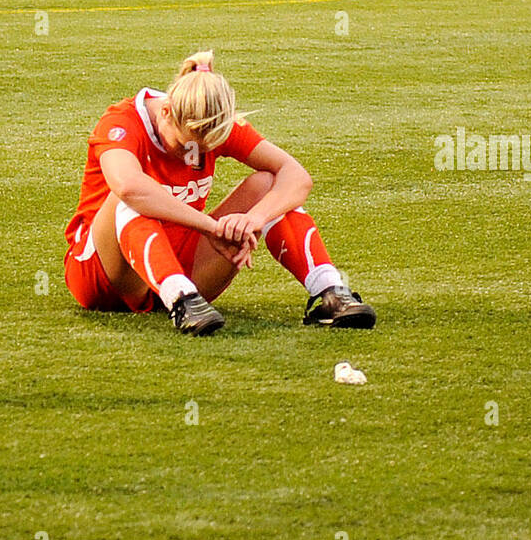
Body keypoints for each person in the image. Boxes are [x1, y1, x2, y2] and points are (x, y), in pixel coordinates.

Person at [63, 50, 376, 335]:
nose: (196, 156)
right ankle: (180, 299)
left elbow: (297, 177)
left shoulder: (212, 123)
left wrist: (253, 219)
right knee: (129, 195)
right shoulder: (123, 121)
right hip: (107, 276)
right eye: (188, 146)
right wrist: (211, 227)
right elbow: (129, 186)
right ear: (167, 112)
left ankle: (330, 293)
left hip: (181, 265)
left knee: (268, 185)